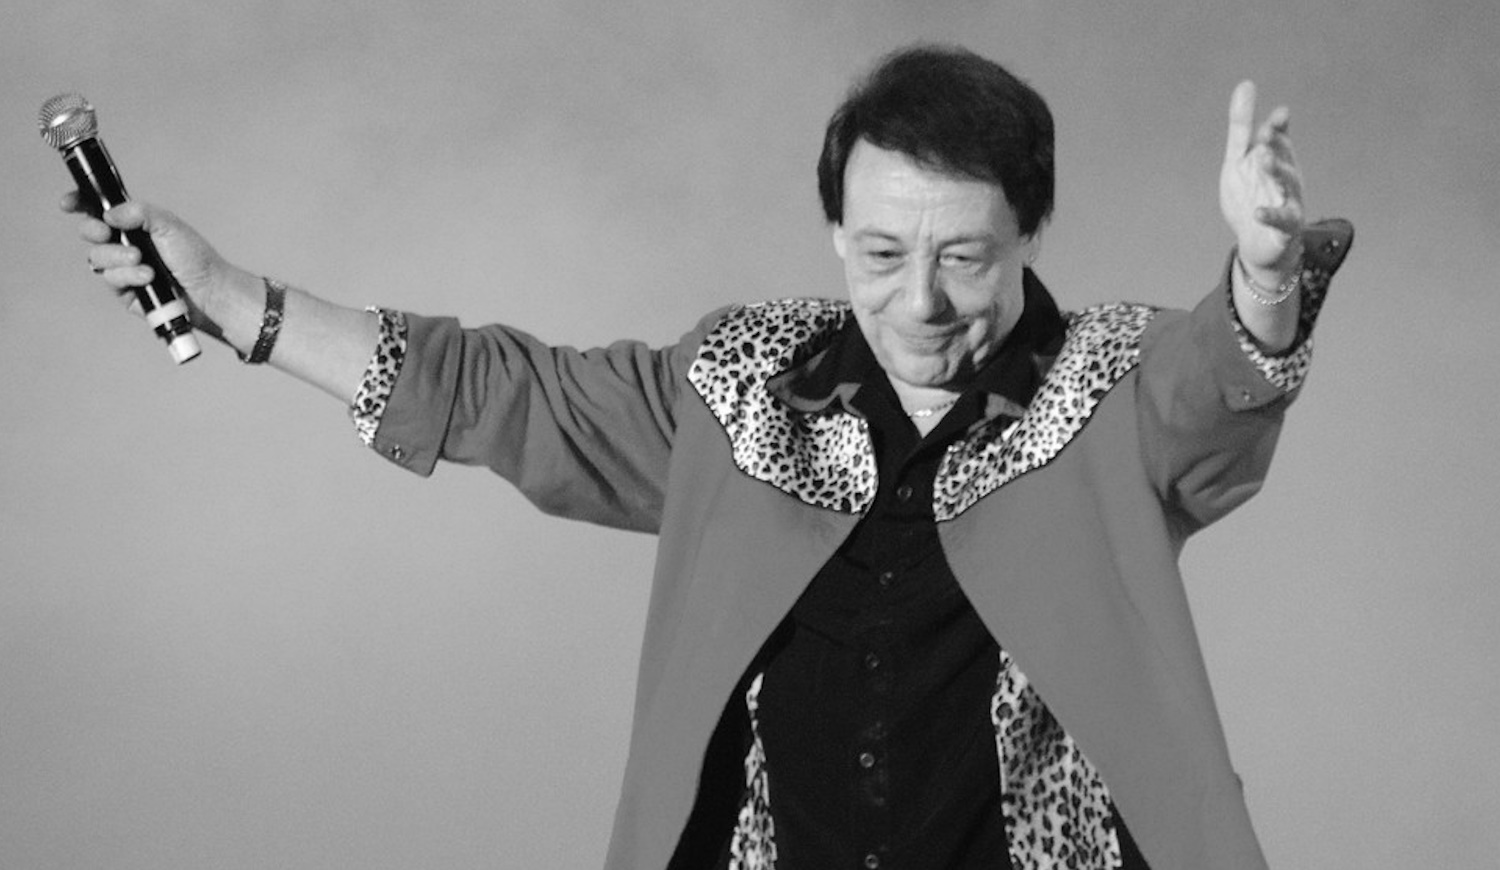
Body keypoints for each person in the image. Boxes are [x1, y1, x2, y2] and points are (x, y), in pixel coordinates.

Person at [67, 44, 1351, 870]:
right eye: (880, 254)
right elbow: (506, 394)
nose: (919, 301)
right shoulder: (740, 379)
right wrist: (229, 296)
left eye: (964, 257)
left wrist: (1263, 276)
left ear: (1028, 234)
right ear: (835, 230)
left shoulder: (1112, 382)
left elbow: (1216, 397)